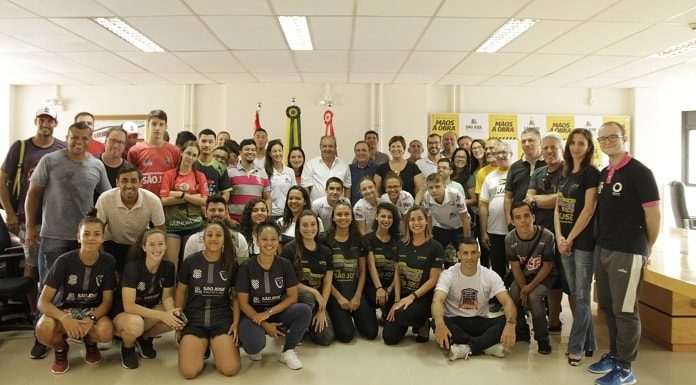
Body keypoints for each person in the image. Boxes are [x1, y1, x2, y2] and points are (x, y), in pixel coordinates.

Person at [587, 121, 660, 385]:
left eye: (612, 137)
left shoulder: (640, 172)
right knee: (607, 307)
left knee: (626, 311)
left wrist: (645, 248)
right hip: (603, 248)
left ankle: (626, 368)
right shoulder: (605, 172)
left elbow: (653, 216)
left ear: (624, 138)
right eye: (603, 138)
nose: (607, 141)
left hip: (628, 251)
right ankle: (615, 355)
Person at [0, 105, 65, 325]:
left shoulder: (62, 149)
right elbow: (2, 178)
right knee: (33, 266)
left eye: (50, 120)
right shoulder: (20, 148)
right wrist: (9, 211)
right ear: (36, 121)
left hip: (56, 220)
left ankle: (55, 311)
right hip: (28, 220)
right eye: (41, 120)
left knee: (55, 268)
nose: (45, 124)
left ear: (55, 123)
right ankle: (33, 313)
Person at [34, 211, 116, 374]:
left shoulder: (108, 261)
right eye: (86, 234)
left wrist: (91, 319)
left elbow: (107, 302)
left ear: (102, 238)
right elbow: (43, 302)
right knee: (43, 330)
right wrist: (64, 319)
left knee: (105, 332)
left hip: (91, 310)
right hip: (64, 309)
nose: (91, 238)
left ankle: (90, 343)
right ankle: (61, 349)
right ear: (78, 237)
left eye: (96, 234)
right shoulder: (63, 261)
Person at [236, 220, 312, 369]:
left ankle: (288, 351)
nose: (269, 243)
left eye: (273, 239)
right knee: (254, 347)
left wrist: (268, 313)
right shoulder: (246, 266)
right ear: (257, 240)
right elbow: (243, 303)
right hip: (253, 315)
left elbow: (292, 297)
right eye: (264, 239)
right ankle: (254, 340)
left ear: (278, 241)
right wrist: (265, 324)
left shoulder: (284, 264)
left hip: (275, 311)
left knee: (304, 310)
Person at [554, 128, 600, 366]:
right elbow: (558, 209)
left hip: (582, 243)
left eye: (581, 143)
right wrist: (560, 237)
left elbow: (589, 209)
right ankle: (590, 342)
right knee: (576, 294)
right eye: (573, 143)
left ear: (589, 147)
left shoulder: (592, 174)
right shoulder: (564, 174)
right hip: (565, 241)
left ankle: (576, 347)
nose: (576, 147)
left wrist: (570, 238)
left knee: (582, 296)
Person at [432, 237, 517, 361]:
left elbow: (507, 301)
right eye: (465, 253)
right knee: (435, 322)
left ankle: (467, 348)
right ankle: (486, 347)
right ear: (459, 255)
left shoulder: (489, 275)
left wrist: (510, 324)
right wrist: (439, 323)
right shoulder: (448, 274)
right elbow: (437, 300)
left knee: (510, 319)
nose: (470, 257)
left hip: (480, 321)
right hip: (455, 322)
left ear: (479, 253)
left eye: (473, 252)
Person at [175, 220, 240, 379]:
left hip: (221, 318)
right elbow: (181, 292)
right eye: (209, 235)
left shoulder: (231, 263)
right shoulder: (190, 261)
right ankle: (202, 347)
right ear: (203, 239)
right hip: (194, 319)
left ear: (225, 239)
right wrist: (178, 323)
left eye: (218, 235)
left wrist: (235, 323)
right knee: (189, 372)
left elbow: (236, 297)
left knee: (230, 369)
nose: (213, 238)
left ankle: (216, 346)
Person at [113, 228, 184, 369]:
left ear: (165, 246)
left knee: (177, 318)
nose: (156, 248)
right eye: (151, 244)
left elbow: (167, 297)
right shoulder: (132, 268)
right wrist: (162, 315)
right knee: (136, 324)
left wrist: (171, 312)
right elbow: (129, 306)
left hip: (147, 313)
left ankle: (144, 338)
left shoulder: (168, 267)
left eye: (160, 244)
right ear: (144, 247)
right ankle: (128, 346)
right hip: (124, 316)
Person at [524, 133, 566, 334]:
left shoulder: (569, 171)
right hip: (541, 234)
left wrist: (538, 200)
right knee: (547, 278)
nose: (549, 151)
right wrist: (544, 199)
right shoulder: (538, 172)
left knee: (562, 282)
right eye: (546, 148)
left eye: (553, 147)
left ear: (562, 149)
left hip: (564, 235)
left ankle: (556, 319)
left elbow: (562, 199)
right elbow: (527, 197)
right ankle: (551, 321)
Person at [383, 206, 443, 345]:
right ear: (407, 223)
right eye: (412, 220)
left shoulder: (435, 247)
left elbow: (433, 280)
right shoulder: (401, 244)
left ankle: (422, 322)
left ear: (427, 221)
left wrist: (412, 297)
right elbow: (397, 274)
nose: (416, 223)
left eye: (420, 219)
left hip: (423, 297)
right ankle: (407, 318)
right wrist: (397, 301)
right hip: (404, 295)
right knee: (389, 338)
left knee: (401, 314)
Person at [96, 164, 166, 277]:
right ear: (117, 182)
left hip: (140, 246)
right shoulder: (105, 199)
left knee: (137, 278)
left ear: (140, 183)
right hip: (113, 243)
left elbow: (160, 230)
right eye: (124, 181)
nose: (129, 185)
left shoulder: (153, 200)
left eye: (133, 181)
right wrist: (102, 259)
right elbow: (97, 230)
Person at [506, 202, 557, 354]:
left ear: (533, 217)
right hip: (523, 276)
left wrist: (528, 289)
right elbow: (515, 267)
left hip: (544, 276)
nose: (524, 221)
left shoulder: (547, 236)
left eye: (527, 216)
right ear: (513, 221)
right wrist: (523, 288)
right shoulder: (509, 239)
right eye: (518, 217)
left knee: (534, 297)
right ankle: (521, 330)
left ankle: (542, 338)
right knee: (514, 293)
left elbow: (547, 266)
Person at [323, 202, 378, 342]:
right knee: (346, 336)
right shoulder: (324, 240)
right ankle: (338, 316)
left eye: (347, 214)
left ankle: (355, 316)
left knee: (371, 333)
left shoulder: (359, 240)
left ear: (352, 217)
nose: (343, 217)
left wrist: (358, 296)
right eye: (339, 214)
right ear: (333, 218)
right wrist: (339, 298)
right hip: (334, 295)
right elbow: (324, 275)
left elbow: (362, 272)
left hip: (354, 293)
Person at [280, 211, 335, 346]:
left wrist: (322, 309)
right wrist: (315, 292)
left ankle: (306, 325)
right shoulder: (289, 249)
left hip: (316, 301)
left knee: (326, 338)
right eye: (305, 225)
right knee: (308, 297)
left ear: (318, 226)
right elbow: (288, 283)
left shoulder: (325, 251)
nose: (309, 229)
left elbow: (327, 282)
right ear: (298, 228)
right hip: (293, 296)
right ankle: (290, 326)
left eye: (313, 224)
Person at [159, 141, 208, 271]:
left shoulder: (199, 176)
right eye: (188, 153)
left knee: (191, 264)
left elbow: (204, 202)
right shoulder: (170, 174)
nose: (190, 157)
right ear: (181, 152)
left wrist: (182, 195)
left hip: (194, 226)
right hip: (172, 226)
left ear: (197, 158)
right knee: (171, 265)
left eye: (194, 155)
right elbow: (163, 200)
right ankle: (171, 291)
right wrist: (193, 197)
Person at [479, 142, 512, 284]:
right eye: (497, 153)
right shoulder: (490, 177)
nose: (500, 155)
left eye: (504, 152)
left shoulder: (517, 173)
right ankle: (500, 299)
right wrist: (484, 231)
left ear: (511, 154)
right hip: (494, 230)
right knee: (498, 268)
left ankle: (519, 300)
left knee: (520, 267)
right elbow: (482, 205)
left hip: (516, 230)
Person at [422, 173, 471, 268]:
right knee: (434, 253)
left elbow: (465, 218)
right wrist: (429, 235)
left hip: (460, 227)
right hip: (442, 227)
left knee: (464, 255)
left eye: (437, 186)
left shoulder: (455, 194)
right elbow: (428, 217)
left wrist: (467, 241)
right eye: (431, 187)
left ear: (444, 186)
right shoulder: (427, 197)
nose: (434, 190)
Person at [183, 194, 249, 264]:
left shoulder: (239, 239)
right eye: (212, 210)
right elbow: (187, 270)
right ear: (205, 213)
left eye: (220, 210)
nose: (216, 213)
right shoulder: (193, 240)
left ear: (226, 213)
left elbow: (242, 270)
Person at [127, 109, 180, 196]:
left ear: (166, 126)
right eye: (154, 124)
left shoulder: (174, 151)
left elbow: (178, 178)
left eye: (161, 124)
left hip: (168, 202)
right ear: (148, 125)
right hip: (144, 200)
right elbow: (131, 178)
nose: (157, 128)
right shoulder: (135, 151)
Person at [365, 203, 400, 320]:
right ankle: (371, 311)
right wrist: (379, 288)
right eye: (383, 216)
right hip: (373, 285)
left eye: (389, 217)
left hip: (393, 285)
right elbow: (371, 265)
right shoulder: (368, 238)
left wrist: (390, 289)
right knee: (371, 331)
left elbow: (399, 267)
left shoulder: (399, 238)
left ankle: (386, 310)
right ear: (376, 217)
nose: (386, 220)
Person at [504, 127, 545, 226]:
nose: (526, 144)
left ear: (540, 142)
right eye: (523, 141)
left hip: (545, 220)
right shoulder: (514, 167)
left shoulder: (549, 164)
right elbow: (508, 197)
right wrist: (509, 220)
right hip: (521, 223)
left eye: (531, 140)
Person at [227, 138, 271, 224]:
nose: (250, 152)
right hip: (235, 222)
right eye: (247, 149)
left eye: (253, 150)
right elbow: (224, 199)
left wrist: (268, 214)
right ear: (240, 152)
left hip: (256, 223)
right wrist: (228, 219)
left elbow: (267, 198)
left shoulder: (263, 174)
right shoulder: (229, 172)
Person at [374, 135, 424, 204]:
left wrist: (415, 206)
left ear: (404, 149)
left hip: (408, 208)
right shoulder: (381, 168)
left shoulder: (413, 167)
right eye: (393, 147)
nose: (395, 149)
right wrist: (379, 206)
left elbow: (420, 189)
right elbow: (377, 191)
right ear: (389, 149)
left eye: (398, 146)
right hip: (386, 209)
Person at [302, 135, 351, 202]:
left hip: (338, 209)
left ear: (335, 147)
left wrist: (346, 204)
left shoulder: (344, 165)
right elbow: (306, 188)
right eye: (324, 146)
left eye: (330, 146)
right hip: (316, 209)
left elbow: (347, 188)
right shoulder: (310, 165)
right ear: (320, 147)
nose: (327, 149)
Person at [195, 129, 232, 201]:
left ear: (215, 143)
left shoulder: (221, 168)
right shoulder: (192, 163)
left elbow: (226, 193)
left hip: (212, 210)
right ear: (198, 142)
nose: (207, 145)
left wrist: (216, 205)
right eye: (203, 141)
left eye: (210, 142)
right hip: (193, 209)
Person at [265, 139, 296, 221]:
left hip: (288, 213)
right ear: (269, 153)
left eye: (280, 151)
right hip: (272, 214)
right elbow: (264, 196)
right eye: (274, 151)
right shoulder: (265, 172)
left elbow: (294, 193)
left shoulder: (290, 171)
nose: (278, 154)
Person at [349, 141, 377, 206]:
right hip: (353, 208)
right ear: (355, 153)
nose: (361, 153)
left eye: (364, 150)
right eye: (358, 150)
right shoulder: (349, 169)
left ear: (369, 152)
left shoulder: (377, 169)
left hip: (372, 208)